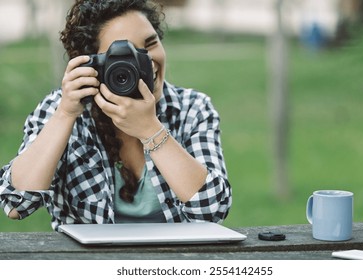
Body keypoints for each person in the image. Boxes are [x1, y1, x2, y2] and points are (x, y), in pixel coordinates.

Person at [0, 0, 232, 231]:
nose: (146, 61)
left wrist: (150, 130)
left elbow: (212, 211)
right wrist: (65, 114)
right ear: (91, 65)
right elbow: (16, 204)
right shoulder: (60, 110)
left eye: (150, 44)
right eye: (124, 54)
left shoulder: (192, 108)